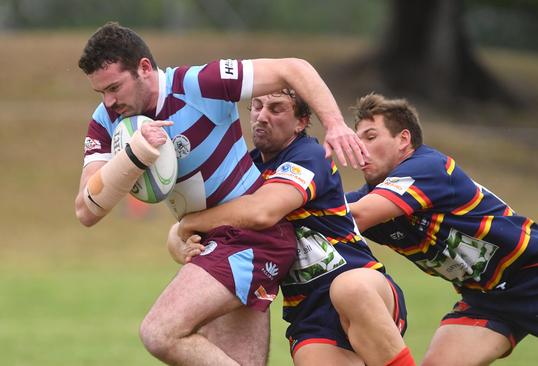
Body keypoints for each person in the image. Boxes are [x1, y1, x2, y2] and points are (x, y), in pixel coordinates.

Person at [73, 22, 368, 365]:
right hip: (213, 243)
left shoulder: (199, 84)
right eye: (101, 93)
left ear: (143, 69)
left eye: (114, 88)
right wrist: (134, 156)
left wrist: (334, 124)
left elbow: (293, 69)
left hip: (253, 238)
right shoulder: (107, 119)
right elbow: (87, 210)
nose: (109, 101)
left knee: (160, 332)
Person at [170, 90, 414, 366]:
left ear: (301, 121)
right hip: (309, 315)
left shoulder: (309, 154)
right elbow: (204, 219)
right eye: (257, 106)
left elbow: (263, 211)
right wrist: (180, 239)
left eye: (276, 109)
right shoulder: (246, 170)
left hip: (362, 285)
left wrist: (188, 224)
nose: (262, 116)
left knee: (348, 288)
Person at [346, 93, 538, 365]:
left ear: (403, 139)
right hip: (487, 298)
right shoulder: (370, 197)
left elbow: (357, 214)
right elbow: (335, 213)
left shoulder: (429, 167)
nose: (360, 148)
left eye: (371, 137)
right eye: (357, 139)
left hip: (530, 272)